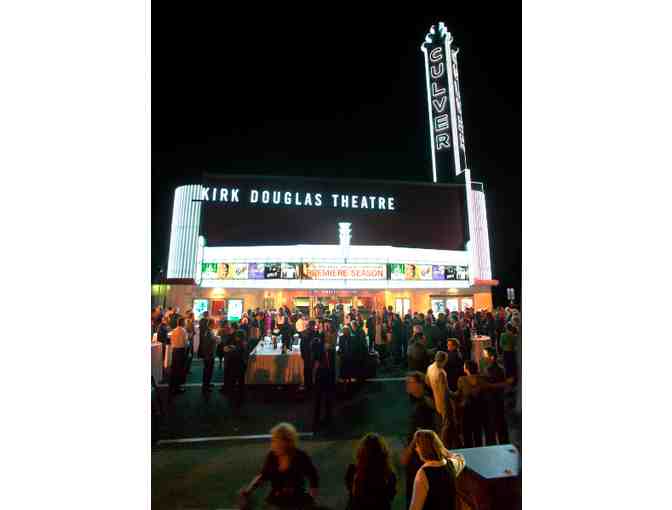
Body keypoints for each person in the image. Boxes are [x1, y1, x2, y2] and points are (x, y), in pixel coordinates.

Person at [240, 422, 319, 509]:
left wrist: (312, 495)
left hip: (297, 498)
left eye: (275, 440)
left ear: (285, 441)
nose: (272, 444)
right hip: (276, 498)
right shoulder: (272, 456)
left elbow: (313, 475)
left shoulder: (300, 456)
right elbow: (263, 475)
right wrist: (249, 490)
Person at [401, 371, 438, 509]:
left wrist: (408, 452)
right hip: (419, 455)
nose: (407, 385)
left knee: (415, 491)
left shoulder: (423, 406)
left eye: (410, 382)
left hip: (418, 456)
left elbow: (421, 434)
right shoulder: (420, 402)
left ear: (420, 384)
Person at [408, 429, 465, 510]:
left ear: (423, 448)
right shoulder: (451, 465)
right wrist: (444, 451)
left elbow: (415, 508)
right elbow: (461, 458)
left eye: (417, 446)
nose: (416, 449)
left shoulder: (423, 474)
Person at [345, 433, 397, 510]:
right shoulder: (389, 475)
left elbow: (351, 493)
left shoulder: (353, 471)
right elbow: (390, 496)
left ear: (361, 452)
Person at [426, 352, 460, 449]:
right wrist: (456, 394)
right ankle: (442, 446)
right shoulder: (441, 373)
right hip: (443, 402)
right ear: (444, 360)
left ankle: (456, 443)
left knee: (446, 424)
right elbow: (445, 391)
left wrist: (434, 389)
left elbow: (427, 382)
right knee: (447, 424)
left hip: (435, 398)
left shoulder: (430, 368)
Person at [481, 347, 510, 445]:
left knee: (494, 424)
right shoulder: (497, 368)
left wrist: (488, 385)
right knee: (500, 424)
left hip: (494, 400)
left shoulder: (492, 369)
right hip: (496, 400)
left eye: (485, 355)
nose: (483, 357)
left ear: (492, 357)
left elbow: (503, 384)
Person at [313, 322, 337, 431]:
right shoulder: (318, 346)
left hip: (328, 375)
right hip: (321, 374)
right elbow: (316, 360)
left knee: (327, 398)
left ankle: (328, 418)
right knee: (318, 399)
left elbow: (332, 364)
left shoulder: (331, 350)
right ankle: (317, 420)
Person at [220, 330, 247, 425]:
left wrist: (229, 350)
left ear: (238, 337)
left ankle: (236, 399)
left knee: (236, 382)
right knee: (240, 382)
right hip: (241, 366)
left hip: (237, 367)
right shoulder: (242, 343)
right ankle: (239, 396)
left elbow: (235, 353)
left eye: (236, 336)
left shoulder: (240, 345)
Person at [168, 318, 188, 395]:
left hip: (174, 351)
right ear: (182, 323)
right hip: (181, 351)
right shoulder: (183, 331)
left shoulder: (174, 330)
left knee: (174, 369)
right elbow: (185, 343)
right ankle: (177, 388)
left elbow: (171, 341)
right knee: (179, 370)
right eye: (184, 322)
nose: (185, 323)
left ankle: (172, 386)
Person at [199, 318, 218, 393]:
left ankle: (207, 384)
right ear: (211, 324)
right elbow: (206, 345)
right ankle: (205, 386)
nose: (215, 324)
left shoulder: (209, 331)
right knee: (207, 371)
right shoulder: (208, 332)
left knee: (209, 370)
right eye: (214, 323)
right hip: (209, 355)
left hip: (210, 354)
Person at [300, 321, 316, 392]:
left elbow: (301, 345)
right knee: (309, 370)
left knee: (308, 370)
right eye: (313, 325)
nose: (313, 327)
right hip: (309, 354)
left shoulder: (305, 333)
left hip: (308, 354)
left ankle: (308, 385)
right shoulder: (313, 333)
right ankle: (309, 385)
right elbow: (302, 345)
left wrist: (303, 354)